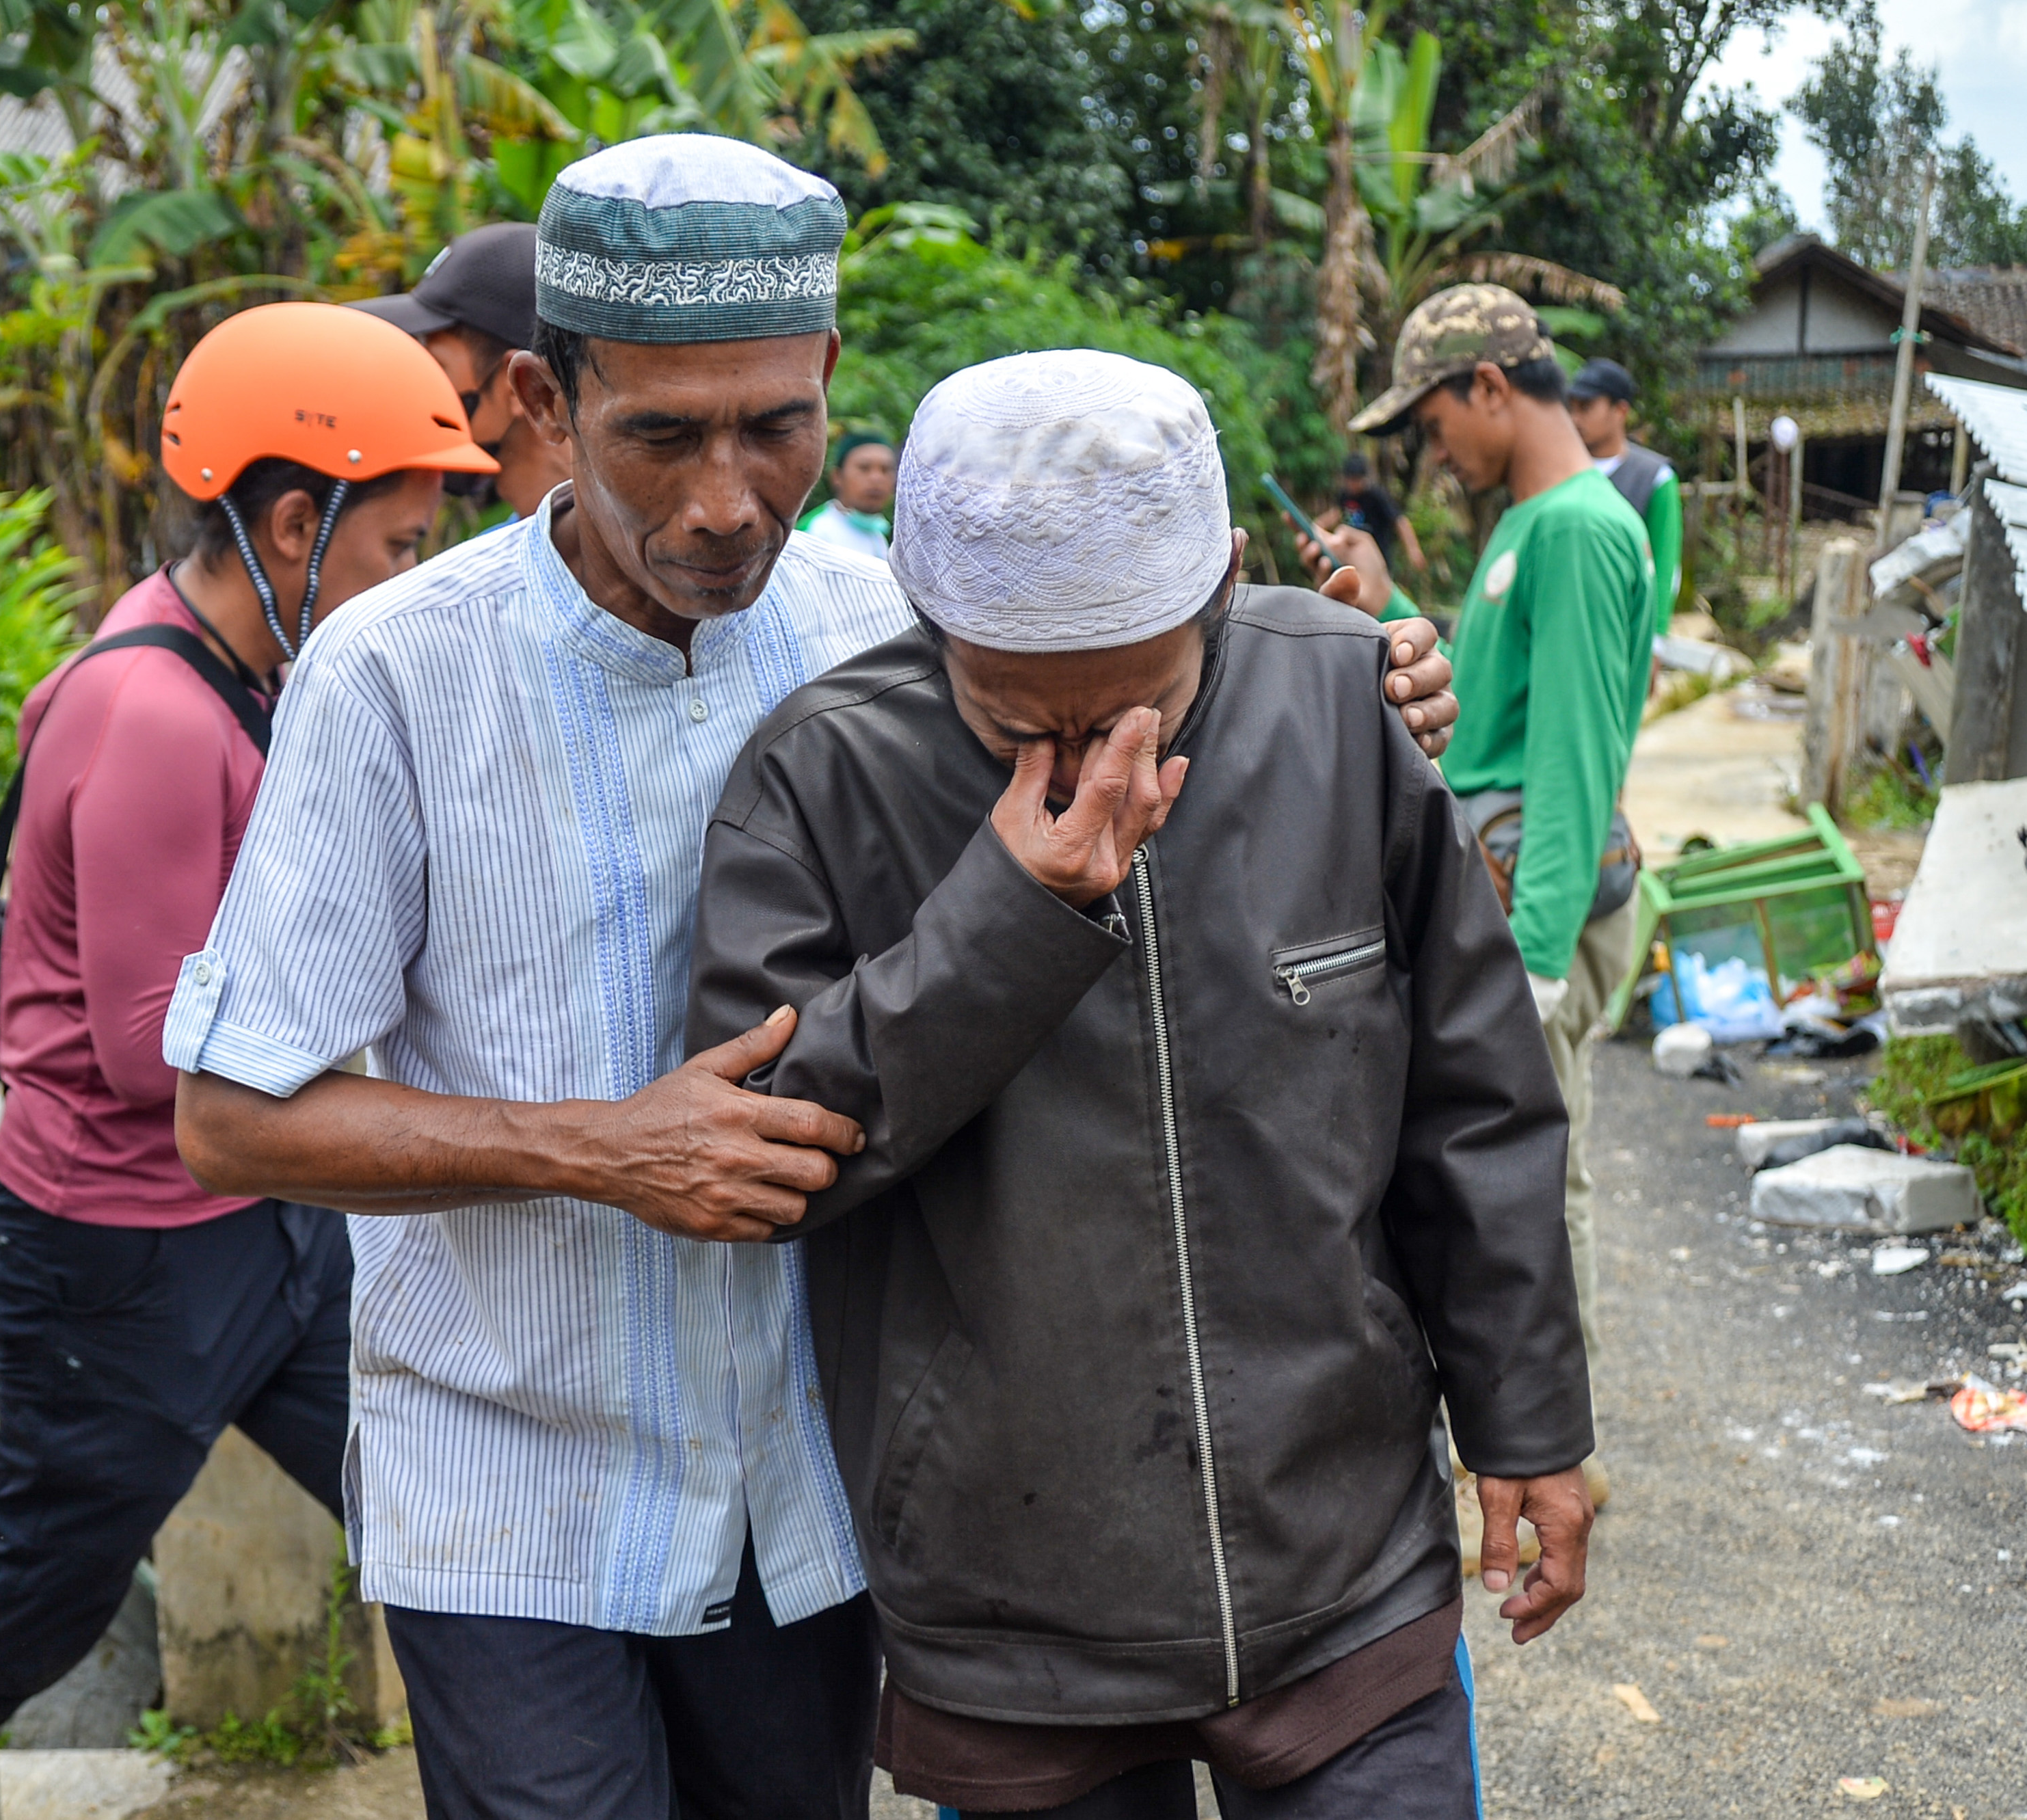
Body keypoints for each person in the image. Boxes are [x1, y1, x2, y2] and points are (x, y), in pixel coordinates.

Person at [161, 137, 1461, 1820]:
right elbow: (227, 1118)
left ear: (831, 380)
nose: (723, 500)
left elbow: (1152, 691)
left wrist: (1353, 681)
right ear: (547, 404)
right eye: (659, 437)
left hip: (813, 1490)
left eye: (773, 429)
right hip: (512, 1492)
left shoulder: (891, 630)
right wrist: (594, 1146)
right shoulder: (392, 676)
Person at [687, 348, 1594, 1820]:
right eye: (1016, 721)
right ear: (927, 611)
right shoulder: (817, 776)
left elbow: (1471, 1103)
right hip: (1009, 1613)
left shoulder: (1338, 704)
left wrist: (1527, 1420)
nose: (1099, 762)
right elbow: (761, 1156)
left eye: (1141, 707)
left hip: (1341, 1567)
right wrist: (1003, 913)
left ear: (1221, 585)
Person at [0, 302, 494, 1722]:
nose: (413, 579)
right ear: (285, 530)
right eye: (397, 548)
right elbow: (154, 1050)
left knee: (437, 1494)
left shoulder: (237, 669)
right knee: (35, 1597)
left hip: (255, 1226)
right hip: (121, 1256)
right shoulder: (152, 710)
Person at [1346, 286, 1664, 1509]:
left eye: (1433, 422)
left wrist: (1529, 957)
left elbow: (1575, 757)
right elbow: (1484, 719)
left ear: (1489, 386)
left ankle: (1545, 1453)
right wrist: (1385, 608)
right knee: (1514, 1172)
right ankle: (1529, 1435)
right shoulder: (1532, 521)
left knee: (1537, 1177)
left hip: (1540, 900)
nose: (1434, 453)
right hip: (1500, 886)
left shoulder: (1579, 528)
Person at [353, 221, 572, 516]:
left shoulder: (631, 556)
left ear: (524, 387)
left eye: (438, 367)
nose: (420, 385)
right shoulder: (501, 551)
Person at [1566, 358, 1683, 621]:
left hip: (1625, 623)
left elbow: (1664, 568)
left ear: (1620, 411)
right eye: (1571, 408)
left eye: (1586, 407)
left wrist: (1656, 641)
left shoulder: (1655, 477)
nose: (1575, 419)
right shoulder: (1557, 470)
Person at [1319, 451, 1425, 574]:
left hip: (1378, 560)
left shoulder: (1376, 497)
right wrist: (1317, 527)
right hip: (1353, 561)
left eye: (1356, 480)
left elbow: (1400, 521)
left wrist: (1413, 550)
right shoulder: (1344, 496)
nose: (1352, 485)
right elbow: (1335, 514)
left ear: (1364, 478)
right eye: (1350, 480)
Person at [798, 429, 896, 559]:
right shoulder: (814, 532)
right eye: (864, 468)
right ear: (837, 477)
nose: (876, 478)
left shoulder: (877, 535)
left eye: (885, 470)